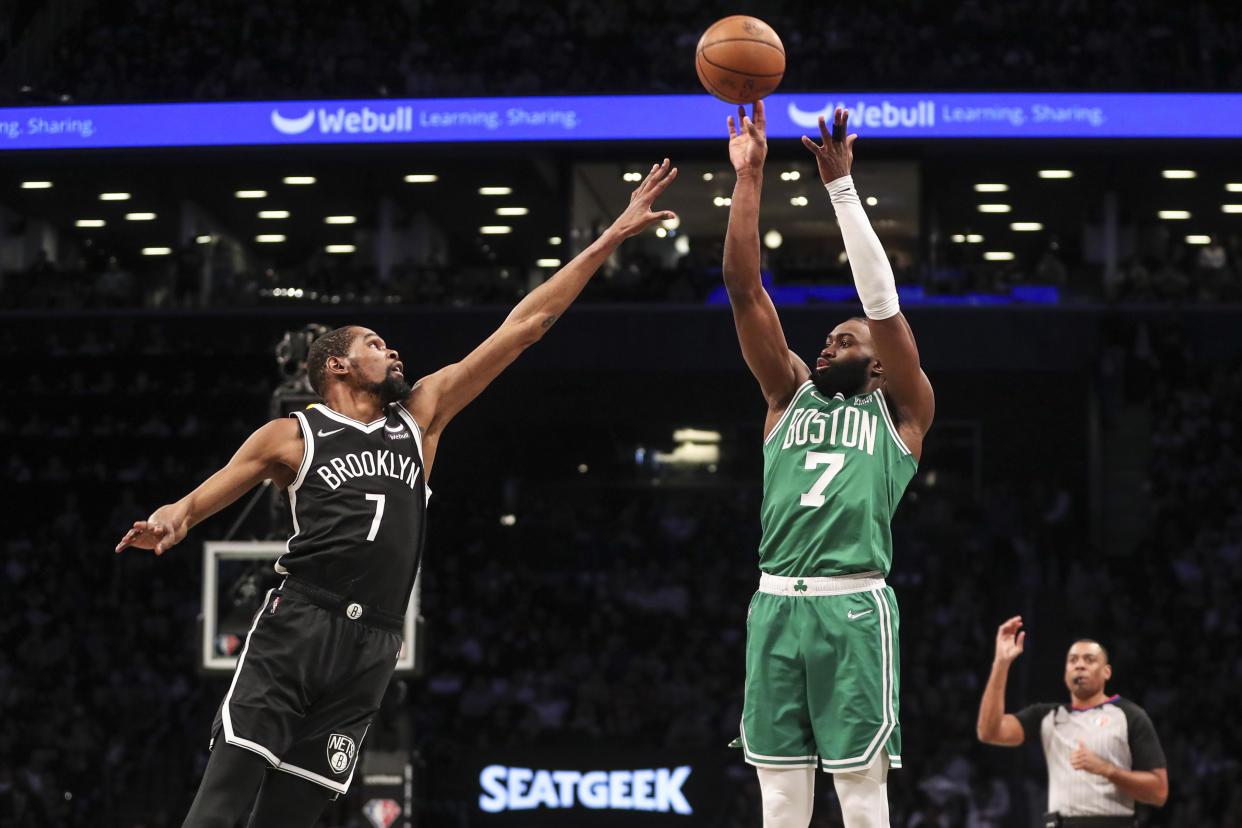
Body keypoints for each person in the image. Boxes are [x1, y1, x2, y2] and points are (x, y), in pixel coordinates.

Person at [114, 160, 679, 828]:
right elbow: (201, 497)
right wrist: (171, 519)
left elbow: (527, 324)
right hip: (299, 625)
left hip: (376, 642)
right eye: (377, 344)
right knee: (223, 800)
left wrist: (610, 234)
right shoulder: (291, 435)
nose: (395, 353)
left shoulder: (421, 418)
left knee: (291, 817)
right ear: (337, 364)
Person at [722, 101, 935, 828]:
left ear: (880, 364)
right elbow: (745, 289)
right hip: (775, 601)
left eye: (844, 341)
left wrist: (841, 188)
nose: (826, 346)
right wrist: (748, 177)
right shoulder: (787, 395)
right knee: (779, 800)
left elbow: (883, 304)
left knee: (862, 797)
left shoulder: (901, 414)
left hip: (853, 604)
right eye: (827, 339)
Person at [976, 617, 1169, 827]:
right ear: (1066, 674)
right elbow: (989, 732)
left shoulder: (1130, 716)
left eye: (1089, 660)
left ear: (1107, 672)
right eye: (1073, 660)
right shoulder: (1046, 716)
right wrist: (1001, 664)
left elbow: (1159, 792)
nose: (1080, 665)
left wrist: (1108, 770)